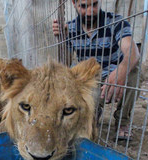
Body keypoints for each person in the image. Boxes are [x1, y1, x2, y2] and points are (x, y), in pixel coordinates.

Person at [52, 0, 140, 141]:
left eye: (94, 4)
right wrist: (62, 39)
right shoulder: (71, 28)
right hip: (89, 79)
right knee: (88, 121)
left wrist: (121, 71)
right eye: (84, 6)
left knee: (134, 68)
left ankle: (122, 122)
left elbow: (132, 51)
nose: (90, 11)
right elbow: (65, 63)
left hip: (114, 72)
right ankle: (93, 113)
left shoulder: (116, 22)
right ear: (74, 4)